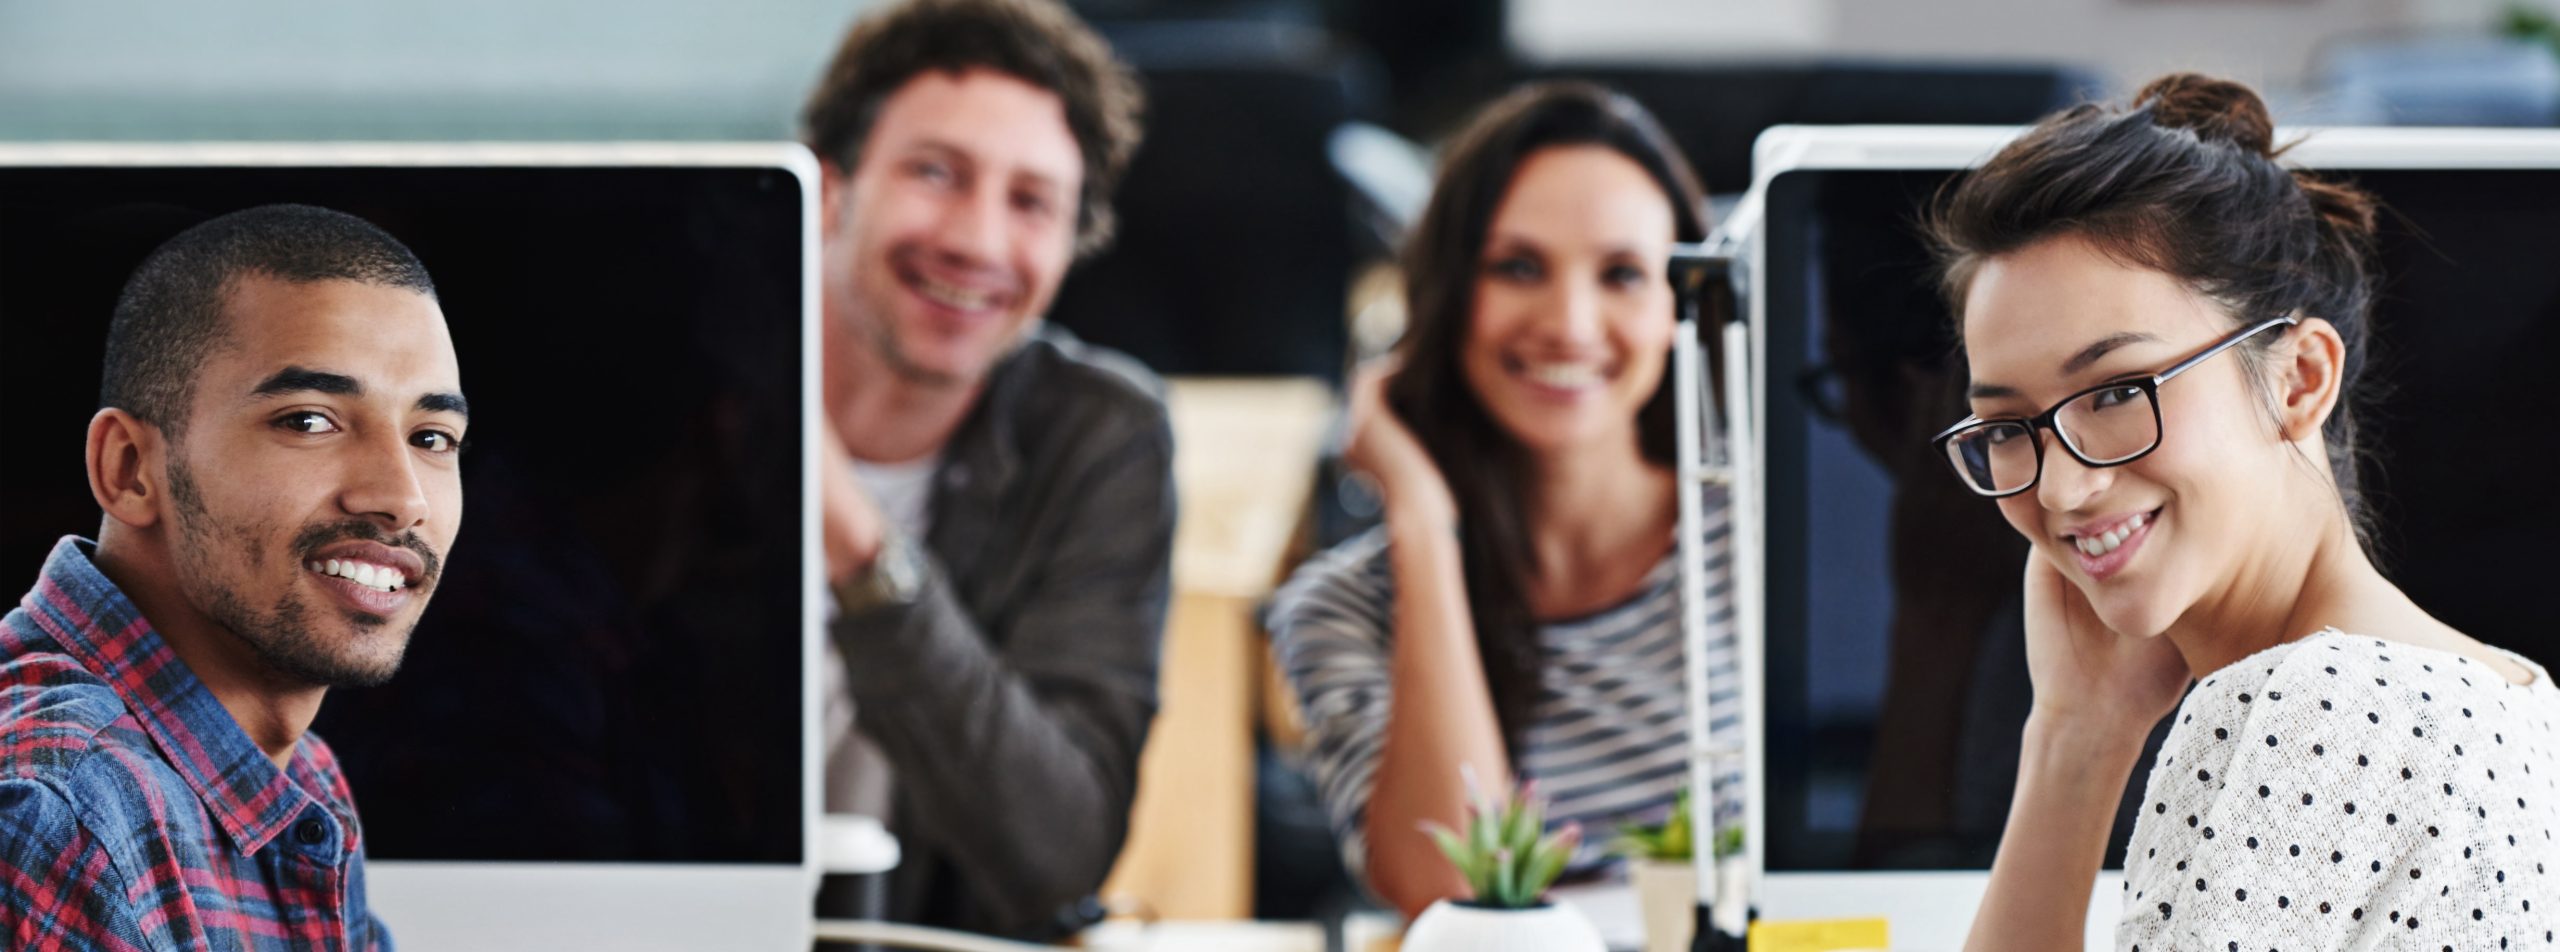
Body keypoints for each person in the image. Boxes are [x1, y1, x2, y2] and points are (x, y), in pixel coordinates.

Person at [1937, 74, 2560, 950]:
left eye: (2116, 391)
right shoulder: (2514, 694)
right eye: (2008, 427)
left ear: (2299, 377)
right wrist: (2079, 733)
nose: (2060, 490)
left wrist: (2072, 752)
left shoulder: (2314, 711)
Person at [1267, 82, 1741, 918]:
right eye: (1518, 267)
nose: (1569, 322)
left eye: (1623, 274)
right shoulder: (1339, 610)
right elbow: (1451, 897)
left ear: (1682, 308)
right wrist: (1419, 518)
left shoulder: (1765, 547)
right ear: (1446, 299)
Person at [800, 0, 1174, 939]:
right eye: (936, 173)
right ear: (830, 191)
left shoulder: (1096, 436)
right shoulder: (674, 390)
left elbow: (1056, 856)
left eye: (1031, 202)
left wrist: (854, 537)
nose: (977, 240)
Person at [0, 204, 466, 950]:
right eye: (309, 420)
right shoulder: (62, 817)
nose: (401, 496)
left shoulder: (297, 775)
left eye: (432, 437)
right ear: (129, 470)